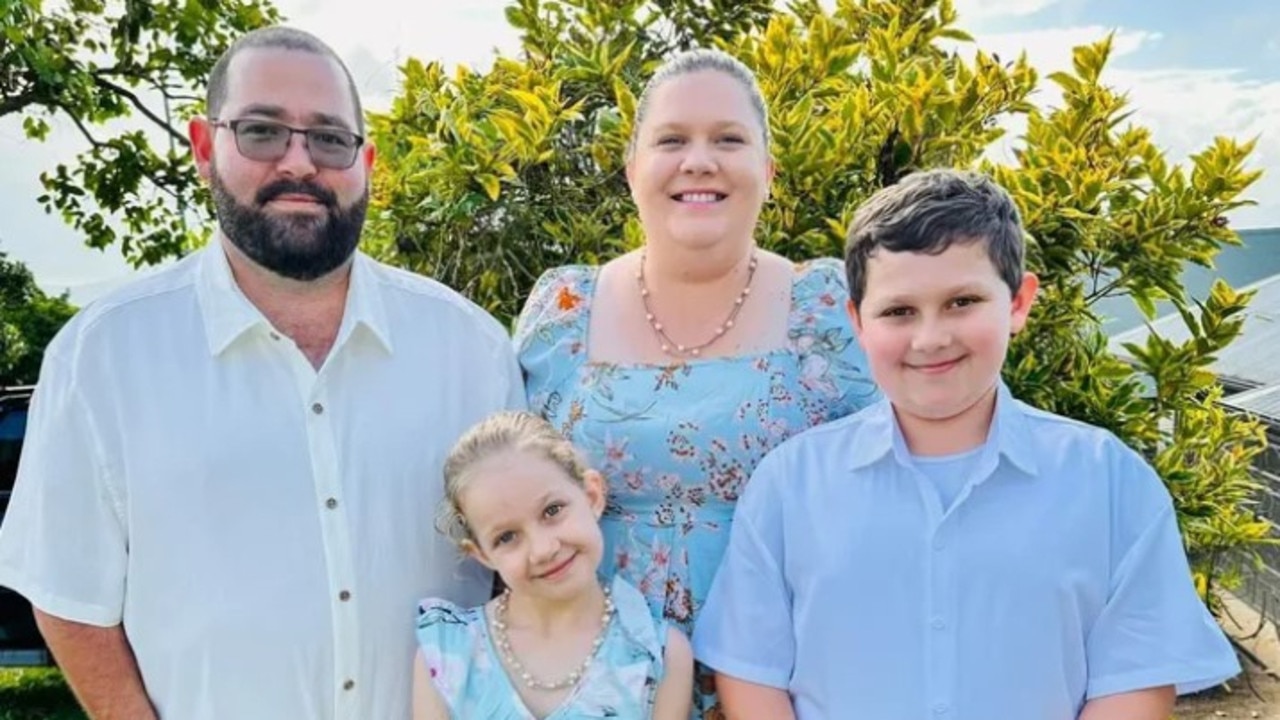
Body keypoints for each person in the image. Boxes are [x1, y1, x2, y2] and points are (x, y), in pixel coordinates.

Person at [0, 26, 523, 720]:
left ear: (367, 161)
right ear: (205, 146)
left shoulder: (473, 351)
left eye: (329, 138)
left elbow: (517, 585)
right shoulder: (100, 359)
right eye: (263, 131)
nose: (299, 163)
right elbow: (70, 601)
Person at [692, 168, 1242, 719]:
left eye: (962, 302)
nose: (931, 338)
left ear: (1018, 302)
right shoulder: (790, 484)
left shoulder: (1109, 482)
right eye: (899, 311)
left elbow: (1135, 681)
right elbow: (750, 669)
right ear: (858, 322)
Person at [514, 48, 879, 714]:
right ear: (632, 172)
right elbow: (508, 495)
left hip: (792, 684)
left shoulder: (829, 309)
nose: (699, 160)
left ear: (767, 171)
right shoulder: (562, 313)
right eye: (672, 140)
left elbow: (887, 496)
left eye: (728, 140)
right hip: (597, 687)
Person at [413, 410, 693, 719]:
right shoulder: (447, 654)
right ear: (481, 554)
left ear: (592, 495)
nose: (543, 550)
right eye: (507, 537)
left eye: (552, 510)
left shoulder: (656, 654)